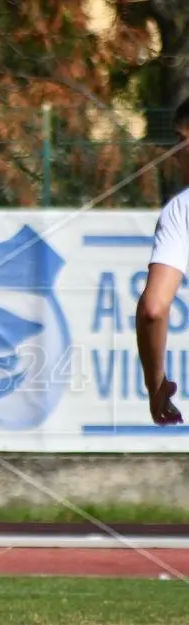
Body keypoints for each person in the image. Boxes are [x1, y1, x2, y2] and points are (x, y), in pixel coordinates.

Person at [137, 97, 189, 426]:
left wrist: (155, 385)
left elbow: (153, 309)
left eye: (180, 140)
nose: (176, 152)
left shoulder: (182, 210)